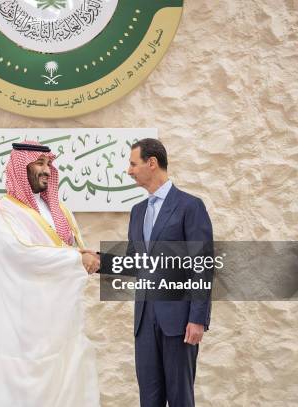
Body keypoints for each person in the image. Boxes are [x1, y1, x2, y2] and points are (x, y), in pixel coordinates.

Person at [0, 141, 100, 407]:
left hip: (61, 321)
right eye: (40, 164)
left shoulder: (58, 209)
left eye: (49, 164)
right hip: (22, 327)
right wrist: (76, 259)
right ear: (21, 168)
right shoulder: (2, 211)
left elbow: (70, 246)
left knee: (67, 384)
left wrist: (84, 257)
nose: (47, 170)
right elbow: (20, 253)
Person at [126, 138, 213, 407]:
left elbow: (203, 265)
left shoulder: (190, 206)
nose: (129, 170)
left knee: (179, 399)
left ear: (152, 163)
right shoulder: (137, 212)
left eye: (132, 163)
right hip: (144, 320)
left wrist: (198, 318)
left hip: (179, 322)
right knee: (148, 400)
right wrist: (97, 261)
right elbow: (133, 262)